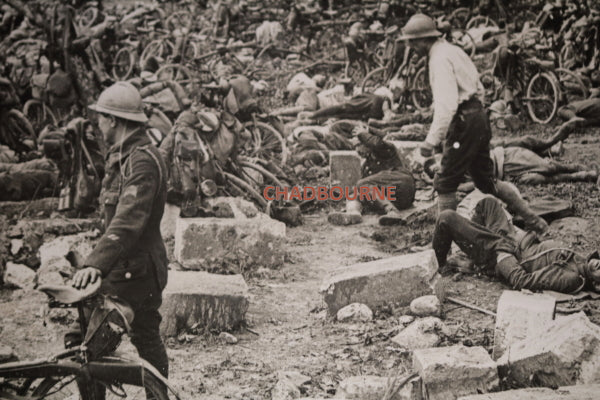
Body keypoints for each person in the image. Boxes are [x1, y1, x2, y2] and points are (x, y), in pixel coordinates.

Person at [400, 13, 547, 233]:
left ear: (422, 39)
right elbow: (479, 88)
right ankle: (536, 222)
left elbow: (446, 106)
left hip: (463, 122)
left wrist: (430, 142)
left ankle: (443, 246)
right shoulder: (453, 50)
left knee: (445, 183)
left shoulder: (438, 59)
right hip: (477, 115)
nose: (411, 47)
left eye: (412, 42)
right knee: (487, 181)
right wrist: (474, 114)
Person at [71, 82, 169, 380]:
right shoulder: (127, 155)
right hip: (137, 268)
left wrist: (94, 264)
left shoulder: (140, 161)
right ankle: (160, 394)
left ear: (113, 119)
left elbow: (128, 220)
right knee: (146, 339)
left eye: (100, 117)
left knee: (84, 345)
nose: (98, 124)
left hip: (133, 273)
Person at [433, 195, 600, 294]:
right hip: (513, 241)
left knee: (446, 218)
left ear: (598, 286)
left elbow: (523, 281)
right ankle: (472, 254)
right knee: (487, 204)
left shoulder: (571, 277)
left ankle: (442, 265)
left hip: (504, 253)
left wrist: (503, 258)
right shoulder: (581, 260)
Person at [328, 126, 416, 226]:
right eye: (355, 146)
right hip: (398, 199)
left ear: (367, 143)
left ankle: (393, 212)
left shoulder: (386, 150)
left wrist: (362, 133)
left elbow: (377, 143)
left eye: (359, 145)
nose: (357, 150)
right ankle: (353, 214)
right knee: (357, 190)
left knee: (362, 184)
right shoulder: (367, 166)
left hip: (404, 184)